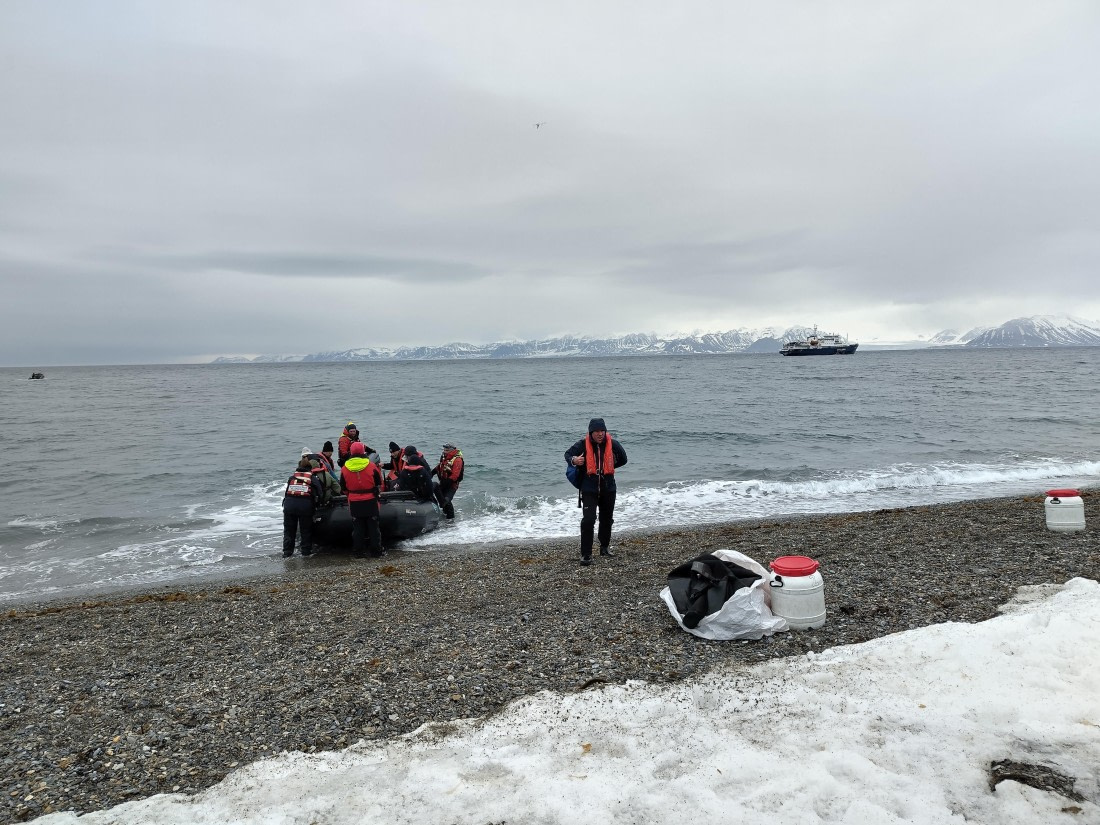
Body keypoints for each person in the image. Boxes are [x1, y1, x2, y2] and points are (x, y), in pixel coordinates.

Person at [564, 418, 628, 566]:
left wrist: (609, 466)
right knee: (588, 520)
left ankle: (604, 548)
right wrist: (574, 460)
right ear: (591, 432)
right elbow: (567, 454)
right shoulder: (582, 444)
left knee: (606, 519)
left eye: (602, 431)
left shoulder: (613, 444)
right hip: (589, 488)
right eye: (596, 431)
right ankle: (586, 555)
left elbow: (624, 459)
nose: (600, 434)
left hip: (608, 488)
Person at [340, 441, 385, 558]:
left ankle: (358, 552)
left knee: (358, 529)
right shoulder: (371, 466)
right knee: (374, 528)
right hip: (370, 501)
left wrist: (352, 494)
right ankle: (376, 552)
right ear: (363, 452)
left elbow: (343, 488)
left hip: (354, 502)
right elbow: (379, 483)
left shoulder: (344, 469)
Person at [282, 456, 323, 558]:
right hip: (305, 507)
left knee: (289, 530)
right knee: (306, 530)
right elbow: (320, 493)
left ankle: (287, 553)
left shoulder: (291, 478)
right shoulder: (312, 478)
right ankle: (305, 553)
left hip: (289, 506)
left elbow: (287, 492)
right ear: (310, 469)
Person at [431, 443, 464, 519]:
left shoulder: (457, 460)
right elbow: (440, 466)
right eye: (444, 450)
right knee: (442, 501)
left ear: (452, 450)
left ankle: (451, 519)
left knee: (446, 501)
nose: (445, 451)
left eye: (447, 450)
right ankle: (445, 515)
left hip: (452, 484)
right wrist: (432, 472)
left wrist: (446, 483)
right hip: (443, 482)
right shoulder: (445, 457)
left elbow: (455, 475)